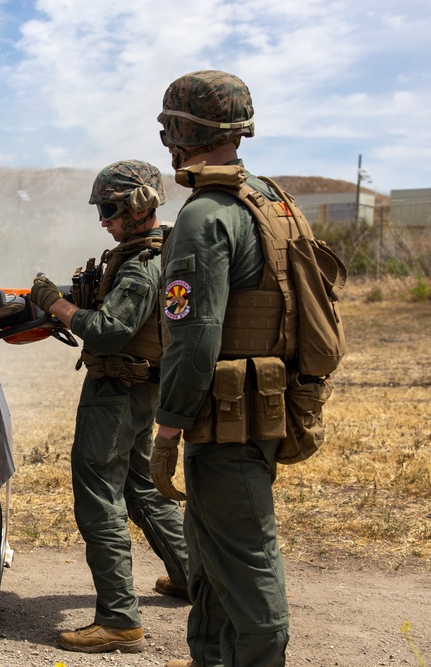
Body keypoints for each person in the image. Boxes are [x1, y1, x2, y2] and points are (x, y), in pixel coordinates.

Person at [150, 70, 290, 667]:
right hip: (259, 407)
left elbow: (194, 336)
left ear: (184, 131)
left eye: (169, 126)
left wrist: (167, 427)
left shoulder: (205, 213)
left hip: (222, 419)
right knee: (210, 559)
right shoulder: (267, 197)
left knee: (246, 560)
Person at [28, 160, 190, 654]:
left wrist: (54, 304)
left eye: (109, 209)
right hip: (142, 391)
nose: (103, 219)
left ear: (138, 206)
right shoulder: (155, 253)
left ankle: (119, 620)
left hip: (116, 393)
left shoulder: (142, 267)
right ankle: (191, 575)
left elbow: (110, 330)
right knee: (140, 485)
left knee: (100, 495)